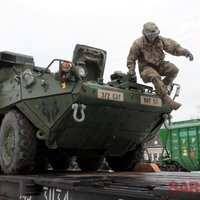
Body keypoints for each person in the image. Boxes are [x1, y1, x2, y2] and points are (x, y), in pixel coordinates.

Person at [127, 22, 194, 110]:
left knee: (173, 69)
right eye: (150, 34)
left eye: (154, 34)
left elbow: (174, 48)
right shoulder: (138, 43)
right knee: (154, 76)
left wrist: (185, 52)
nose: (152, 37)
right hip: (146, 68)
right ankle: (168, 100)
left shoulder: (161, 40)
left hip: (159, 65)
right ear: (144, 34)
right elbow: (131, 58)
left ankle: (162, 88)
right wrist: (131, 70)